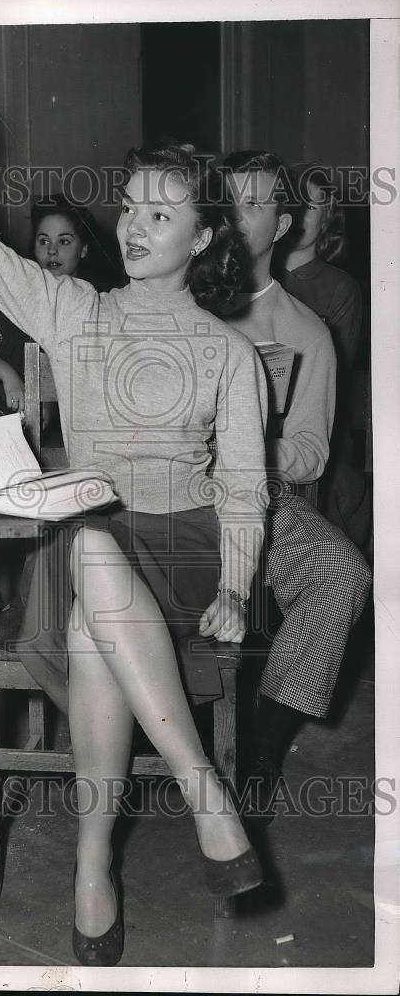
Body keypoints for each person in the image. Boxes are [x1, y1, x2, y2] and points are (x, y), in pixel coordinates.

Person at [0, 51, 269, 967]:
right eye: (130, 206)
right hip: (88, 551)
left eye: (159, 213)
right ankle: (203, 794)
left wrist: (233, 584)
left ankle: (91, 866)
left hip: (179, 558)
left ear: (205, 240)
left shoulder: (231, 356)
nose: (133, 225)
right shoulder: (70, 310)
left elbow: (246, 491)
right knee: (94, 552)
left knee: (100, 612)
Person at [220, 151, 372, 823]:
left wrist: (237, 446)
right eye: (222, 201)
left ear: (282, 223)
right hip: (156, 491)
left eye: (249, 205)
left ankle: (261, 745)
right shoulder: (165, 298)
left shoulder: (304, 329)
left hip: (257, 495)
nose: (230, 217)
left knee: (341, 569)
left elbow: (309, 454)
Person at [277, 162, 371, 554]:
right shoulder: (255, 280)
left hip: (319, 427)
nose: (299, 215)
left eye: (310, 208)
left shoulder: (340, 287)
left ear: (327, 219)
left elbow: (340, 377)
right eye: (292, 205)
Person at [0, 195, 101, 417]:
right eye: (43, 241)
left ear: (83, 249)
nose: (51, 251)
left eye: (63, 241)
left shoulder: (98, 305)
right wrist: (8, 374)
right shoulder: (24, 299)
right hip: (12, 422)